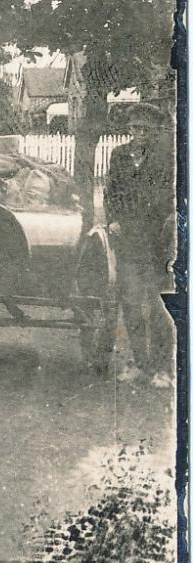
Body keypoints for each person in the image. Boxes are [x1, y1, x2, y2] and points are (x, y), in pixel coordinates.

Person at [103, 102, 176, 388]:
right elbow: (111, 192)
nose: (139, 134)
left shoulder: (164, 159)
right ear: (129, 130)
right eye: (135, 128)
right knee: (131, 303)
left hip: (157, 243)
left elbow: (167, 198)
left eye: (145, 130)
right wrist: (113, 220)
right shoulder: (119, 156)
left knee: (159, 307)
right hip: (127, 242)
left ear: (153, 132)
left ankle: (162, 369)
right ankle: (140, 364)